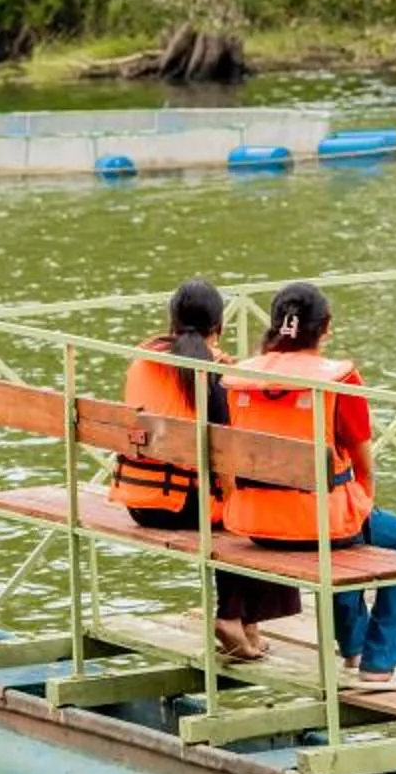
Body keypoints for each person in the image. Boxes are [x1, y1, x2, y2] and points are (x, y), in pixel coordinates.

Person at [222, 280, 396, 687]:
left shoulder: (239, 377)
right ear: (326, 326)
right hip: (317, 526)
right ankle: (380, 663)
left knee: (347, 532)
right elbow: (364, 462)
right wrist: (363, 499)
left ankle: (352, 649)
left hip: (253, 524)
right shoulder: (339, 381)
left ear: (276, 323)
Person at [114, 278, 298, 662]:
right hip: (184, 505)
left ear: (171, 323)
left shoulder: (144, 361)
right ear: (219, 327)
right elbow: (232, 445)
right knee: (263, 505)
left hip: (140, 502)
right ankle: (232, 616)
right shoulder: (210, 374)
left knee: (246, 497)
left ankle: (248, 623)